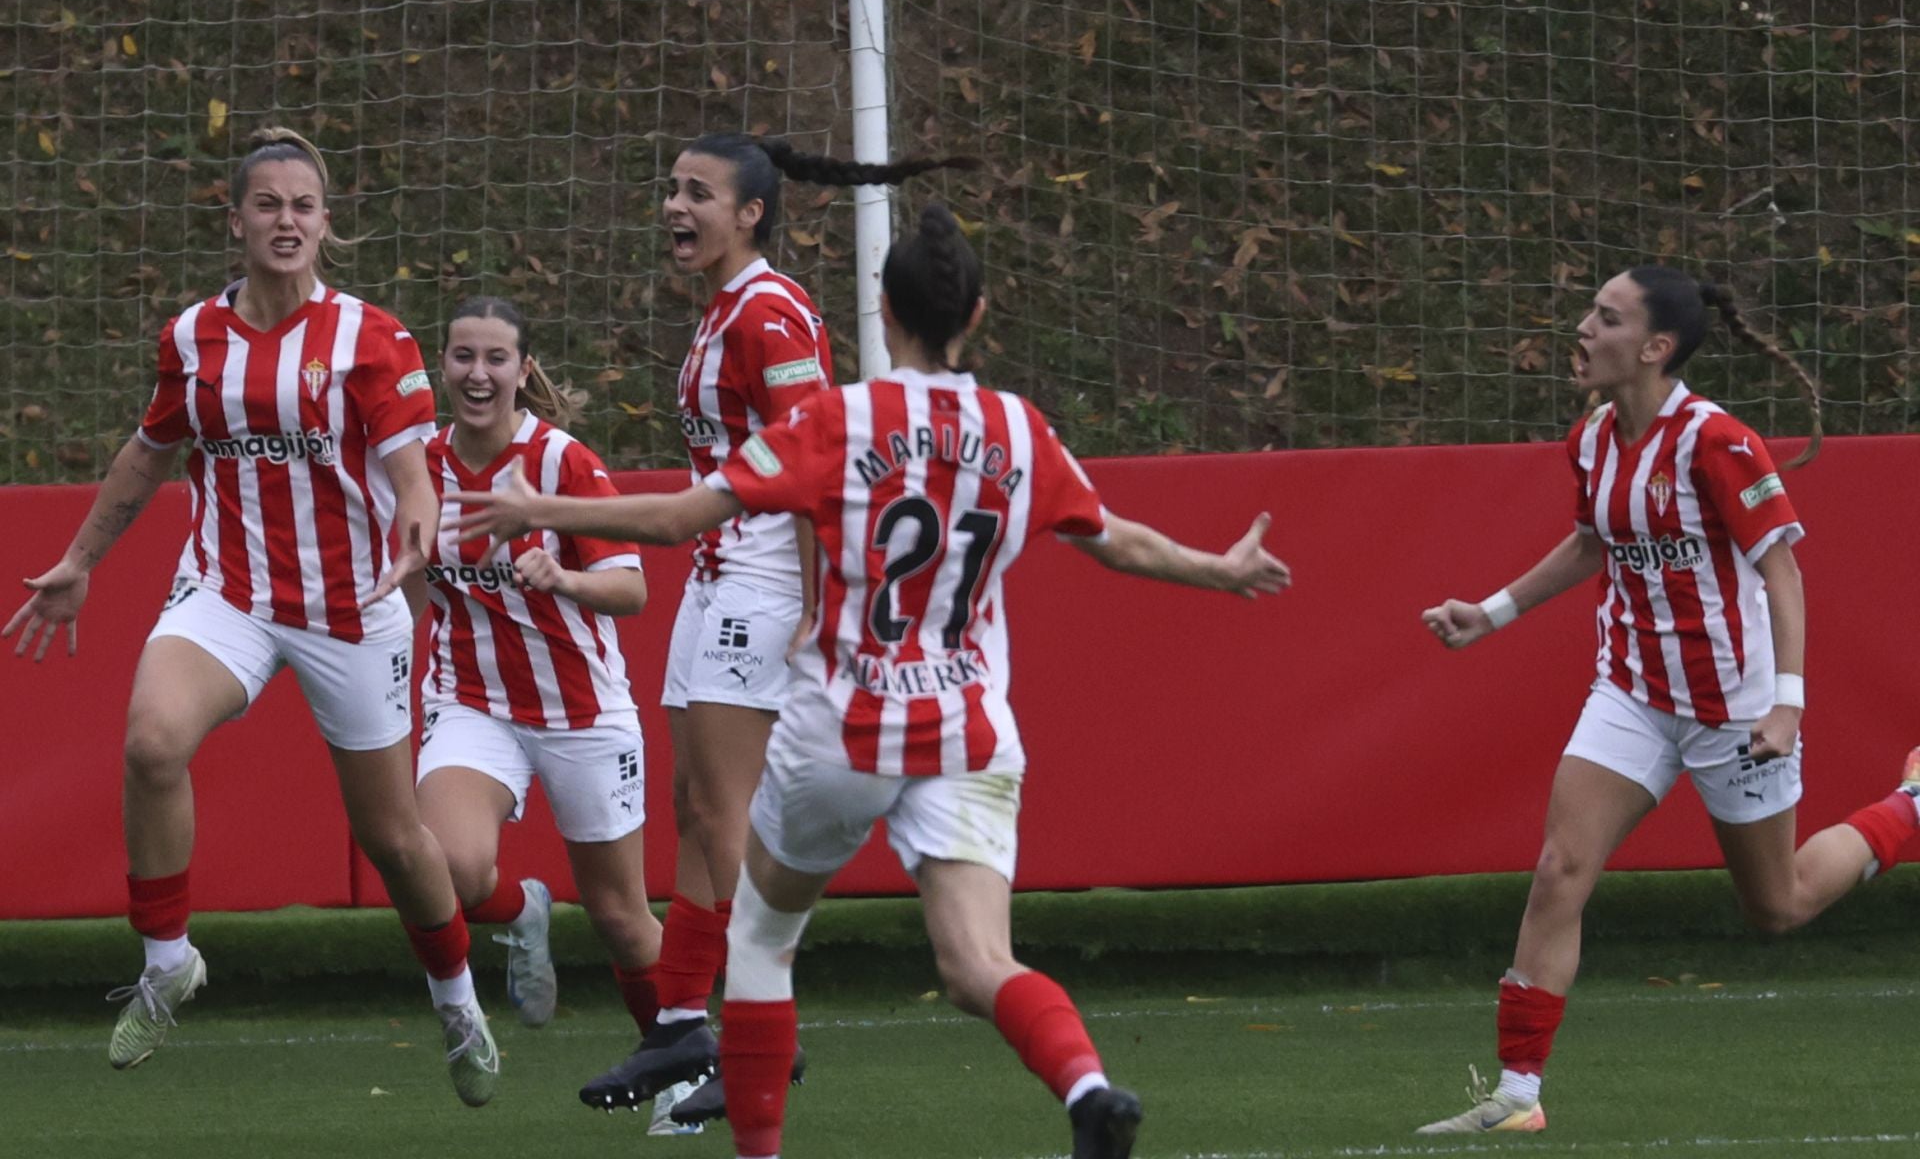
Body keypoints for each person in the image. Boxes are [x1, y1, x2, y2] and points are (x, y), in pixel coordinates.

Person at [446, 203, 1291, 1159]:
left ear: (880, 316)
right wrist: (1219, 569)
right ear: (976, 316)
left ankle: (754, 1142)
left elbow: (682, 517)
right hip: (969, 734)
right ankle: (1086, 1086)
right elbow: (1115, 539)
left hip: (845, 729)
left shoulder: (836, 420)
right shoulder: (1017, 429)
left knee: (762, 942)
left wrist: (534, 506)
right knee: (978, 962)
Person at [2, 127, 500, 1107]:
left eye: (303, 205)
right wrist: (78, 561)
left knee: (397, 838)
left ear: (326, 222)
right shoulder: (193, 338)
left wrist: (416, 532)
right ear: (235, 221)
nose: (287, 221)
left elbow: (410, 469)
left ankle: (457, 1000)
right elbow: (151, 450)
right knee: (150, 741)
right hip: (228, 592)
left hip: (351, 607)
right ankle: (168, 960)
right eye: (267, 204)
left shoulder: (373, 336)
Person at [1414, 266, 1920, 1134]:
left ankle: (1913, 806)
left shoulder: (1717, 441)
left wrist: (1788, 704)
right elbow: (1590, 544)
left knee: (1779, 905)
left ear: (1654, 348)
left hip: (1737, 708)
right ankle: (1516, 1098)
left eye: (1604, 318)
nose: (1581, 329)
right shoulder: (1594, 437)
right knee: (1558, 872)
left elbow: (1784, 574)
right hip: (1633, 692)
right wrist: (1490, 612)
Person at [573, 133, 975, 1120]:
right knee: (700, 807)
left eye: (698, 192)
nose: (676, 206)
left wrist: (816, 602)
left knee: (731, 813)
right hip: (718, 578)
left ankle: (738, 1029)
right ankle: (685, 1024)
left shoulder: (773, 309)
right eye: (670, 189)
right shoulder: (725, 312)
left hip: (762, 580)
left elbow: (815, 466)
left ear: (752, 211)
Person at [414, 297, 684, 1116]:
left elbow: (632, 588)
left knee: (621, 916)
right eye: (463, 356)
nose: (478, 374)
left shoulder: (561, 460)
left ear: (524, 371)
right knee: (447, 869)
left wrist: (563, 577)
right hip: (470, 703)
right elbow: (408, 568)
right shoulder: (415, 463)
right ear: (443, 366)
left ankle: (685, 1068)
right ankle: (521, 909)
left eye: (497, 359)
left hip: (581, 712)